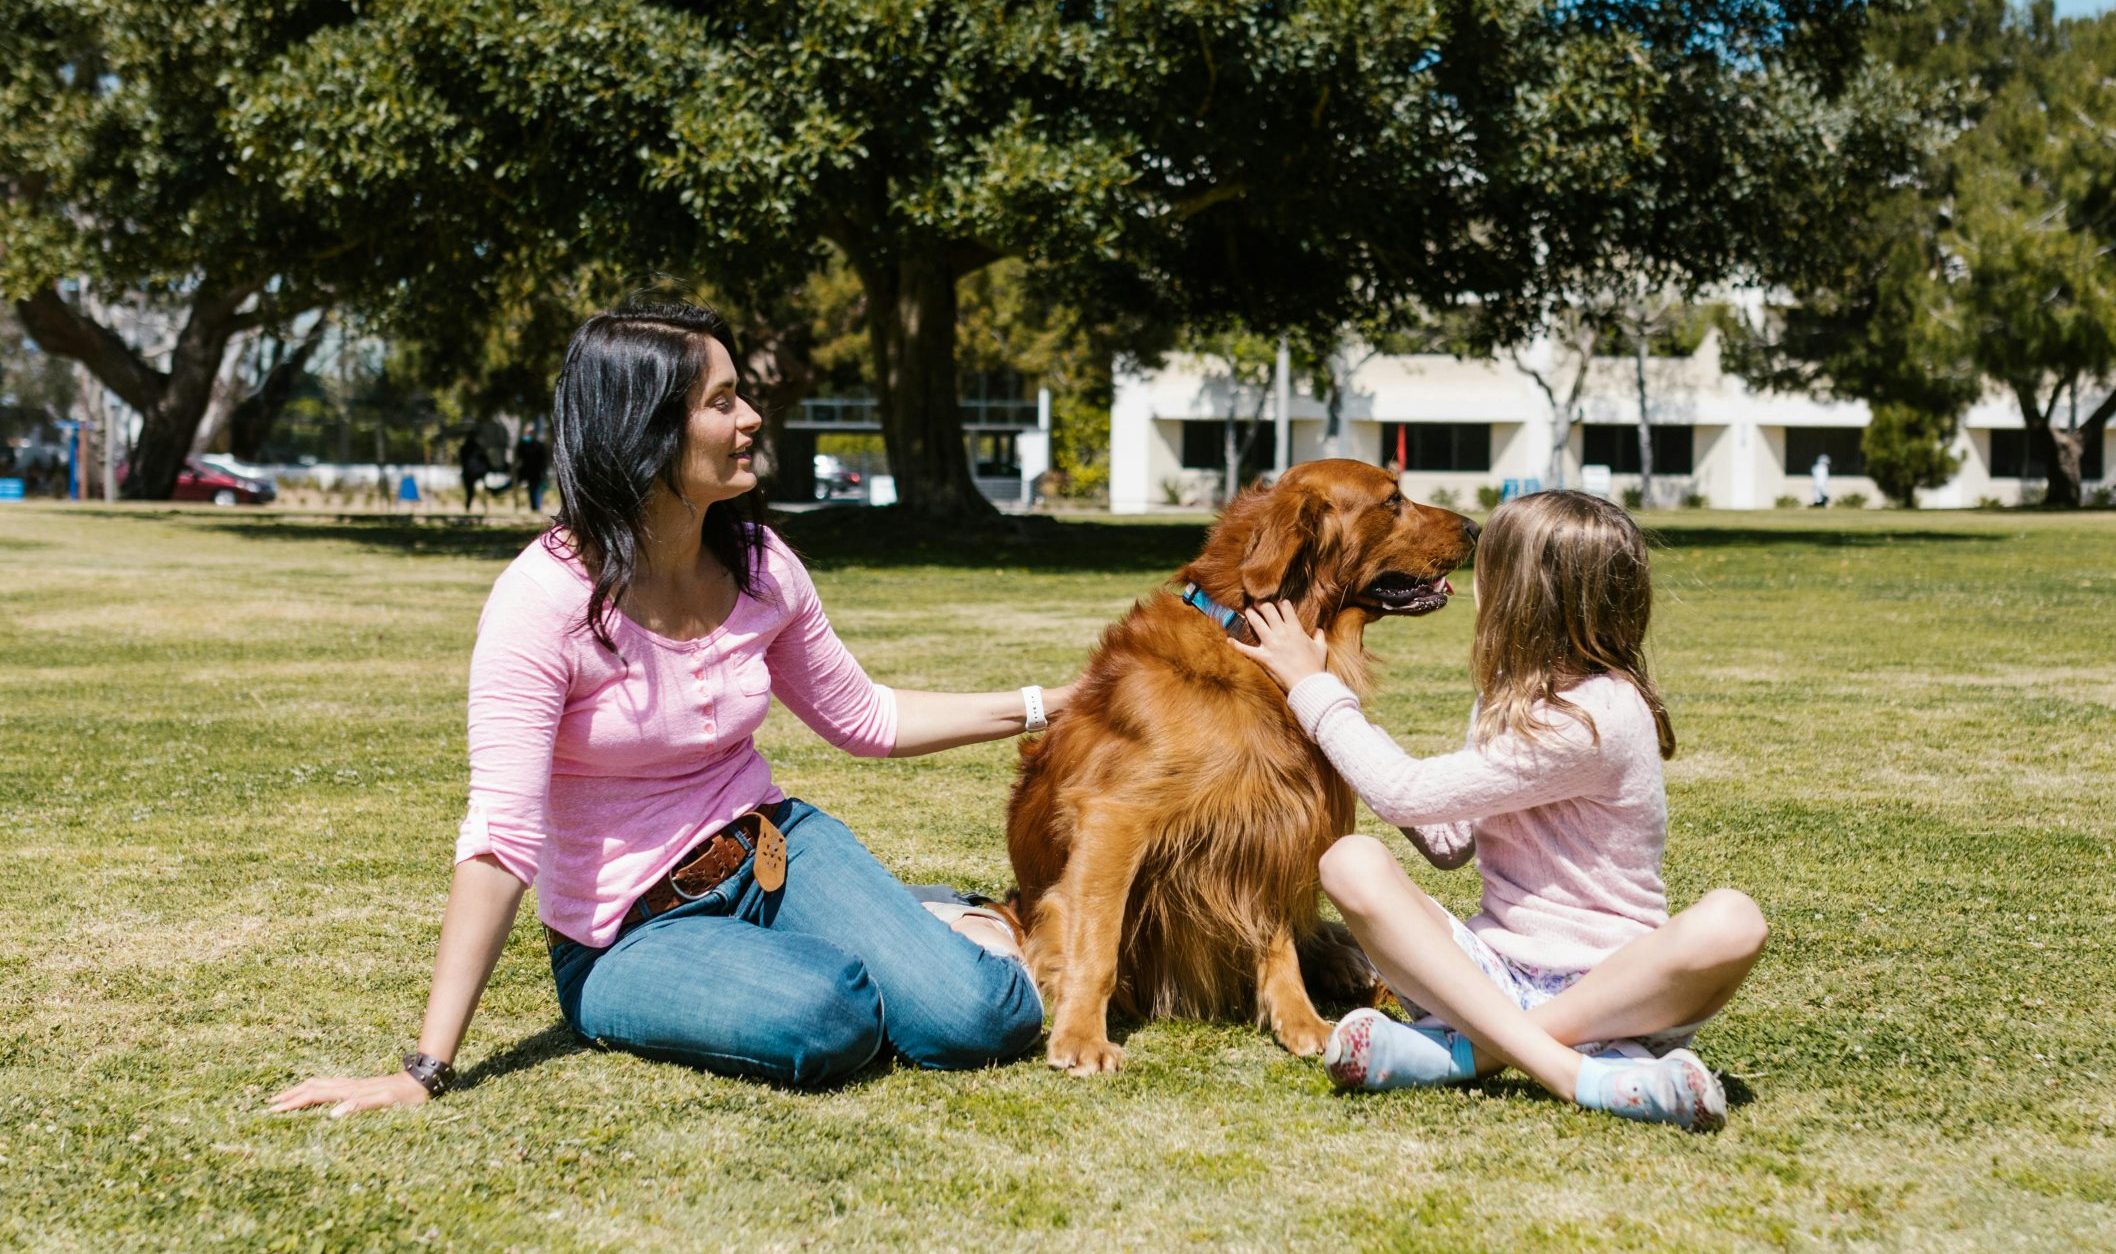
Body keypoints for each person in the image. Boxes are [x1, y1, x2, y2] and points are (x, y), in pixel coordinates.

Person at [272, 301, 1065, 1115]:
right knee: (832, 1016)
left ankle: (951, 924)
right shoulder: (544, 601)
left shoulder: (759, 564)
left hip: (771, 849)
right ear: (643, 428)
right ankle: (890, 929)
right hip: (630, 934)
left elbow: (866, 718)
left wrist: (1050, 706)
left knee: (978, 1018)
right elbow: (500, 838)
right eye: (722, 401)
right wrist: (425, 1068)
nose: (752, 417)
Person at [1230, 490, 1765, 1131]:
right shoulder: (1506, 696)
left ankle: (1504, 1061)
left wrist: (1316, 692)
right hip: (1489, 971)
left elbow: (1401, 792)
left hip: (1612, 987)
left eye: (1486, 566)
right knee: (1350, 863)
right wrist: (1336, 707)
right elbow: (1450, 841)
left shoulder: (1599, 715)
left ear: (1516, 593)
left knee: (1735, 921)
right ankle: (1557, 1056)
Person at [515, 428, 551, 515]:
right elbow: (519, 456)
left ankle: (536, 506)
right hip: (529, 470)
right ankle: (534, 506)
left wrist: (544, 470)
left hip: (537, 470)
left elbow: (543, 459)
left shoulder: (538, 445)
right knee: (532, 488)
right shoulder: (523, 444)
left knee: (536, 488)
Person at [457, 434, 491, 514]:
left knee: (471, 493)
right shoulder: (475, 448)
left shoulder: (471, 448)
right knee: (471, 493)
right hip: (472, 473)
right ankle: (470, 508)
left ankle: (479, 507)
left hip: (472, 473)